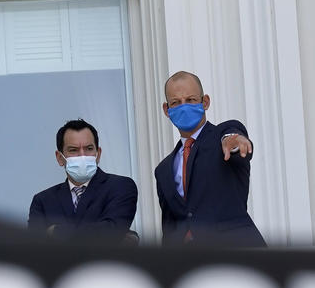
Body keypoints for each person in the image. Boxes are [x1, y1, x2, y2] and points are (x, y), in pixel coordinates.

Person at [154, 71, 265, 247]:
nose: (183, 106)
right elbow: (170, 228)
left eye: (190, 100)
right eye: (176, 102)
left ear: (205, 102)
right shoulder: (163, 169)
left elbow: (233, 136)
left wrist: (234, 141)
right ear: (167, 110)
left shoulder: (222, 136)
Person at [28, 119, 138, 243]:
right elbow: (37, 248)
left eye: (89, 148)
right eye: (73, 150)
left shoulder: (120, 187)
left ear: (98, 154)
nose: (82, 155)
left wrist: (56, 231)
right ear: (60, 158)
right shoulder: (43, 201)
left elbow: (110, 232)